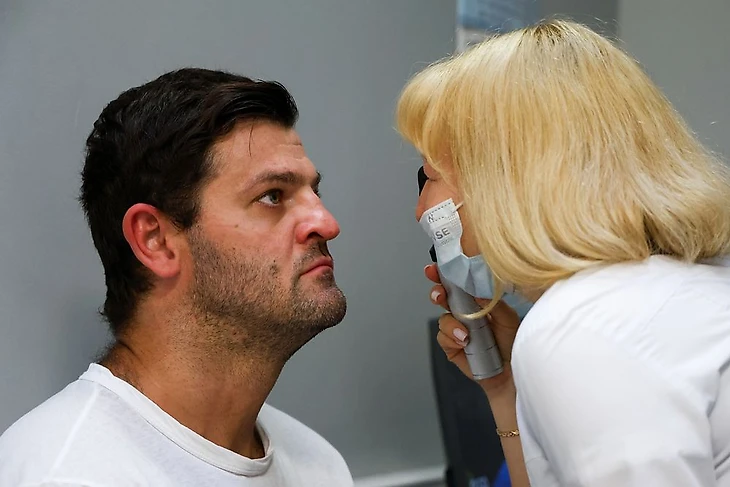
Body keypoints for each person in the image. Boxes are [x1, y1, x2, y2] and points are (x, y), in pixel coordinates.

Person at [397, 19, 730, 487]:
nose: (420, 210)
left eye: (429, 176)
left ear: (508, 180)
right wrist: (505, 389)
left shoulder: (584, 329)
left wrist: (551, 350)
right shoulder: (690, 289)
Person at [0, 68, 353, 486]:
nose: (326, 223)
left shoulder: (320, 467)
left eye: (315, 193)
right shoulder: (65, 475)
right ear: (156, 240)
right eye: (272, 196)